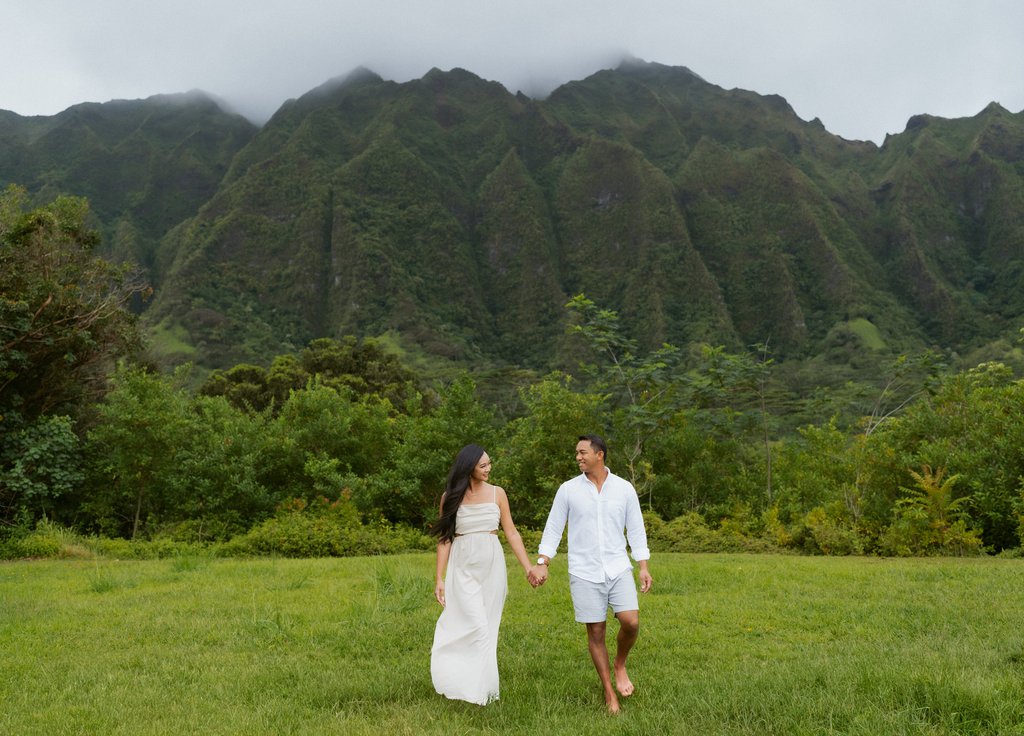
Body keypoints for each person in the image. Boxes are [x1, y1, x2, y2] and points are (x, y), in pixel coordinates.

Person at [528, 434, 653, 714]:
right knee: (596, 631)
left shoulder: (623, 489)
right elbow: (554, 527)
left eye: (583, 452)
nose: (578, 457)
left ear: (600, 454)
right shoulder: (568, 490)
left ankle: (620, 664)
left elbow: (636, 529)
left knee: (631, 622)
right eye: (576, 453)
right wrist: (542, 561)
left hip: (618, 566)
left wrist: (643, 566)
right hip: (583, 571)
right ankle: (609, 693)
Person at [430, 444, 535, 705]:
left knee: (488, 626)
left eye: (489, 463)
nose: (489, 469)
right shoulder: (450, 497)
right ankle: (455, 679)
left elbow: (511, 531)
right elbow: (445, 539)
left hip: (492, 565)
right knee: (474, 624)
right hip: (462, 565)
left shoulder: (498, 493)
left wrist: (528, 567)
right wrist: (439, 578)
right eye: (483, 465)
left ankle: (483, 689)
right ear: (469, 468)